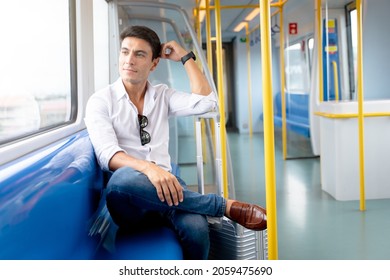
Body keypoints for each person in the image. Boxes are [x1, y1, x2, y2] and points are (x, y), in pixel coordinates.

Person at [85, 25, 266, 260]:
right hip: (131, 198)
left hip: (169, 190)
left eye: (139, 54)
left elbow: (206, 103)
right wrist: (149, 168)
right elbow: (108, 155)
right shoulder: (100, 101)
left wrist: (185, 57)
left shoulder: (162, 95)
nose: (129, 60)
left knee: (197, 230)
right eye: (125, 52)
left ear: (154, 63)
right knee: (122, 179)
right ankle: (223, 207)